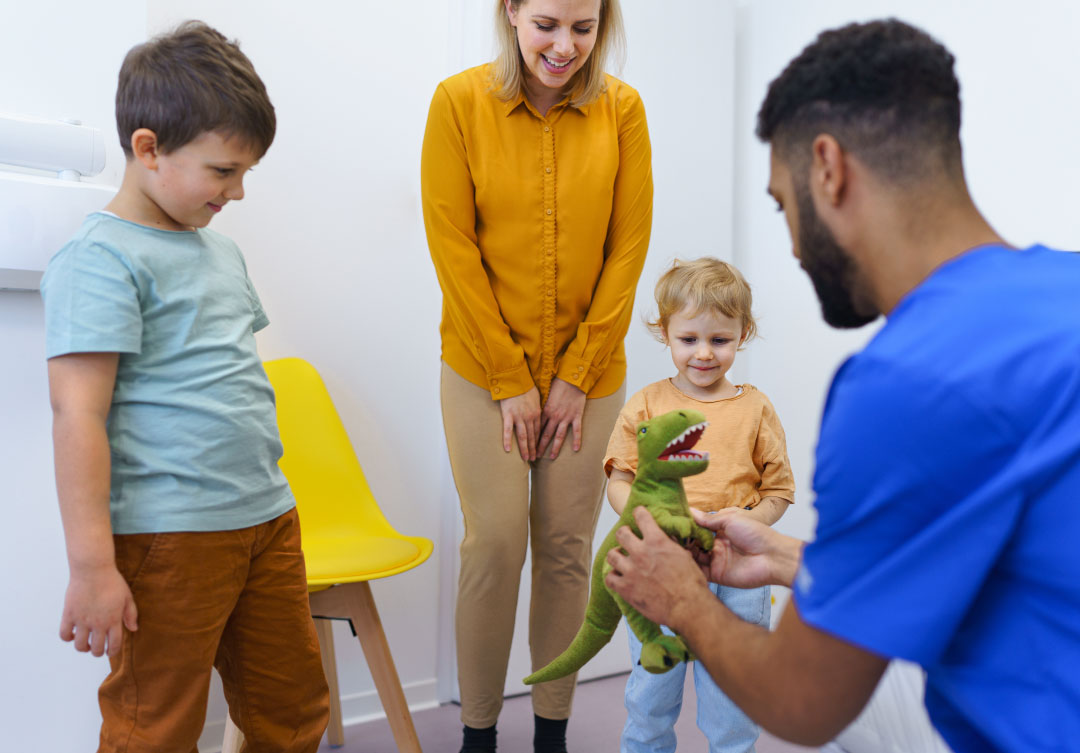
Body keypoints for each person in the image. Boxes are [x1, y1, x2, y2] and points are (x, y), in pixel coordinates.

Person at [603, 18, 1080, 753]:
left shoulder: (905, 383)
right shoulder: (1066, 288)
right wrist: (788, 558)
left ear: (827, 167)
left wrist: (685, 601)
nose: (791, 242)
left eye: (781, 204)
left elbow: (804, 702)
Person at [40, 22, 329, 752]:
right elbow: (77, 415)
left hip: (266, 519)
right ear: (148, 149)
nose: (235, 191)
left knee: (293, 708)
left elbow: (228, 384)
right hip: (168, 540)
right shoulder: (99, 260)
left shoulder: (221, 253)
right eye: (223, 170)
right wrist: (92, 565)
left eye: (244, 174)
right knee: (156, 726)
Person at [420, 0, 652, 750]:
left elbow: (629, 248)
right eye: (547, 23)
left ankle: (550, 732)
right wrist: (508, 377)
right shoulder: (458, 103)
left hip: (589, 374)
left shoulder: (623, 112)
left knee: (564, 546)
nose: (564, 46)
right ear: (511, 11)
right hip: (482, 368)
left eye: (583, 29)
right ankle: (479, 735)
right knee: (494, 542)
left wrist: (578, 375)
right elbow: (452, 247)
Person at [603, 258, 794, 753]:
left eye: (720, 340)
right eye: (689, 339)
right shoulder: (646, 404)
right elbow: (620, 479)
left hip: (738, 573)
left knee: (733, 699)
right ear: (664, 333)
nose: (704, 354)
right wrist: (647, 523)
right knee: (650, 695)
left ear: (743, 333)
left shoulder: (755, 408)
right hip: (661, 566)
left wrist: (747, 524)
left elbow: (778, 492)